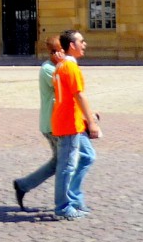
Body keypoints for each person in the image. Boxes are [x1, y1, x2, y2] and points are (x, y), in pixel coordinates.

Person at [51, 30, 101, 221]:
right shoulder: (69, 67)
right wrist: (92, 122)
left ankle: (73, 197)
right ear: (72, 45)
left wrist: (87, 115)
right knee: (67, 166)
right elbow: (78, 95)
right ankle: (63, 206)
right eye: (81, 41)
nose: (85, 44)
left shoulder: (63, 65)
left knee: (88, 156)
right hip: (68, 122)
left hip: (73, 120)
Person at [12, 35, 64, 210]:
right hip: (52, 124)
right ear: (52, 52)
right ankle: (66, 202)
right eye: (58, 50)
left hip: (57, 122)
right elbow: (67, 87)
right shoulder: (49, 69)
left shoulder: (57, 67)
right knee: (67, 162)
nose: (62, 54)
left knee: (60, 161)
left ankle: (23, 185)